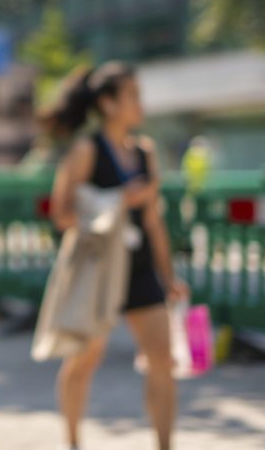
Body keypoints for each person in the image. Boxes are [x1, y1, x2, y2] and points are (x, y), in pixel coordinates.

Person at [47, 61, 187, 450]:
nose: (141, 104)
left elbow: (154, 221)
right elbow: (61, 215)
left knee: (162, 359)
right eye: (133, 96)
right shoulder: (86, 150)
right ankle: (73, 443)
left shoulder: (145, 151)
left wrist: (169, 277)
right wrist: (117, 201)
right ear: (108, 103)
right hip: (98, 270)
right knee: (83, 360)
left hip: (139, 268)